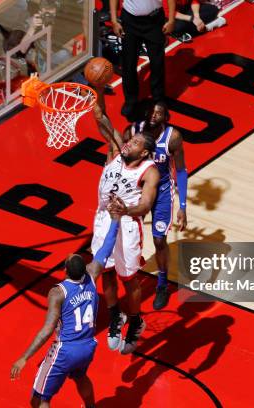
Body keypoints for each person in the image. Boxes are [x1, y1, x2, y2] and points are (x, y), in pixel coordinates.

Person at [10, 198, 123, 408]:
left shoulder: (58, 292)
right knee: (80, 377)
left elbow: (47, 330)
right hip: (88, 346)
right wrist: (116, 220)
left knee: (39, 399)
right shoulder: (92, 274)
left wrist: (24, 357)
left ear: (65, 271)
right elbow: (107, 247)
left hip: (65, 350)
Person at [92, 90, 159, 354]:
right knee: (105, 273)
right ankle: (114, 318)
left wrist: (127, 210)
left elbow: (145, 205)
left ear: (144, 153)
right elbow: (100, 116)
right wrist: (97, 87)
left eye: (135, 144)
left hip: (127, 225)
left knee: (129, 279)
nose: (129, 144)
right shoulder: (117, 150)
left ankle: (134, 322)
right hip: (102, 219)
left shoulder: (149, 171)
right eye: (130, 141)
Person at [129, 101, 188, 310]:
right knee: (131, 235)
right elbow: (125, 159)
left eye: (159, 113)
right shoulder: (134, 130)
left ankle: (162, 284)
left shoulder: (172, 137)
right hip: (140, 189)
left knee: (159, 239)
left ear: (166, 117)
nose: (154, 115)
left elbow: (180, 170)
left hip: (162, 191)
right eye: (152, 111)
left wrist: (183, 205)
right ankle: (131, 275)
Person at [110, 0, 176, 120]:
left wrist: (171, 20)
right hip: (130, 21)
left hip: (154, 21)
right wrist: (114, 21)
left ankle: (158, 99)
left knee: (157, 63)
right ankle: (131, 100)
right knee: (128, 63)